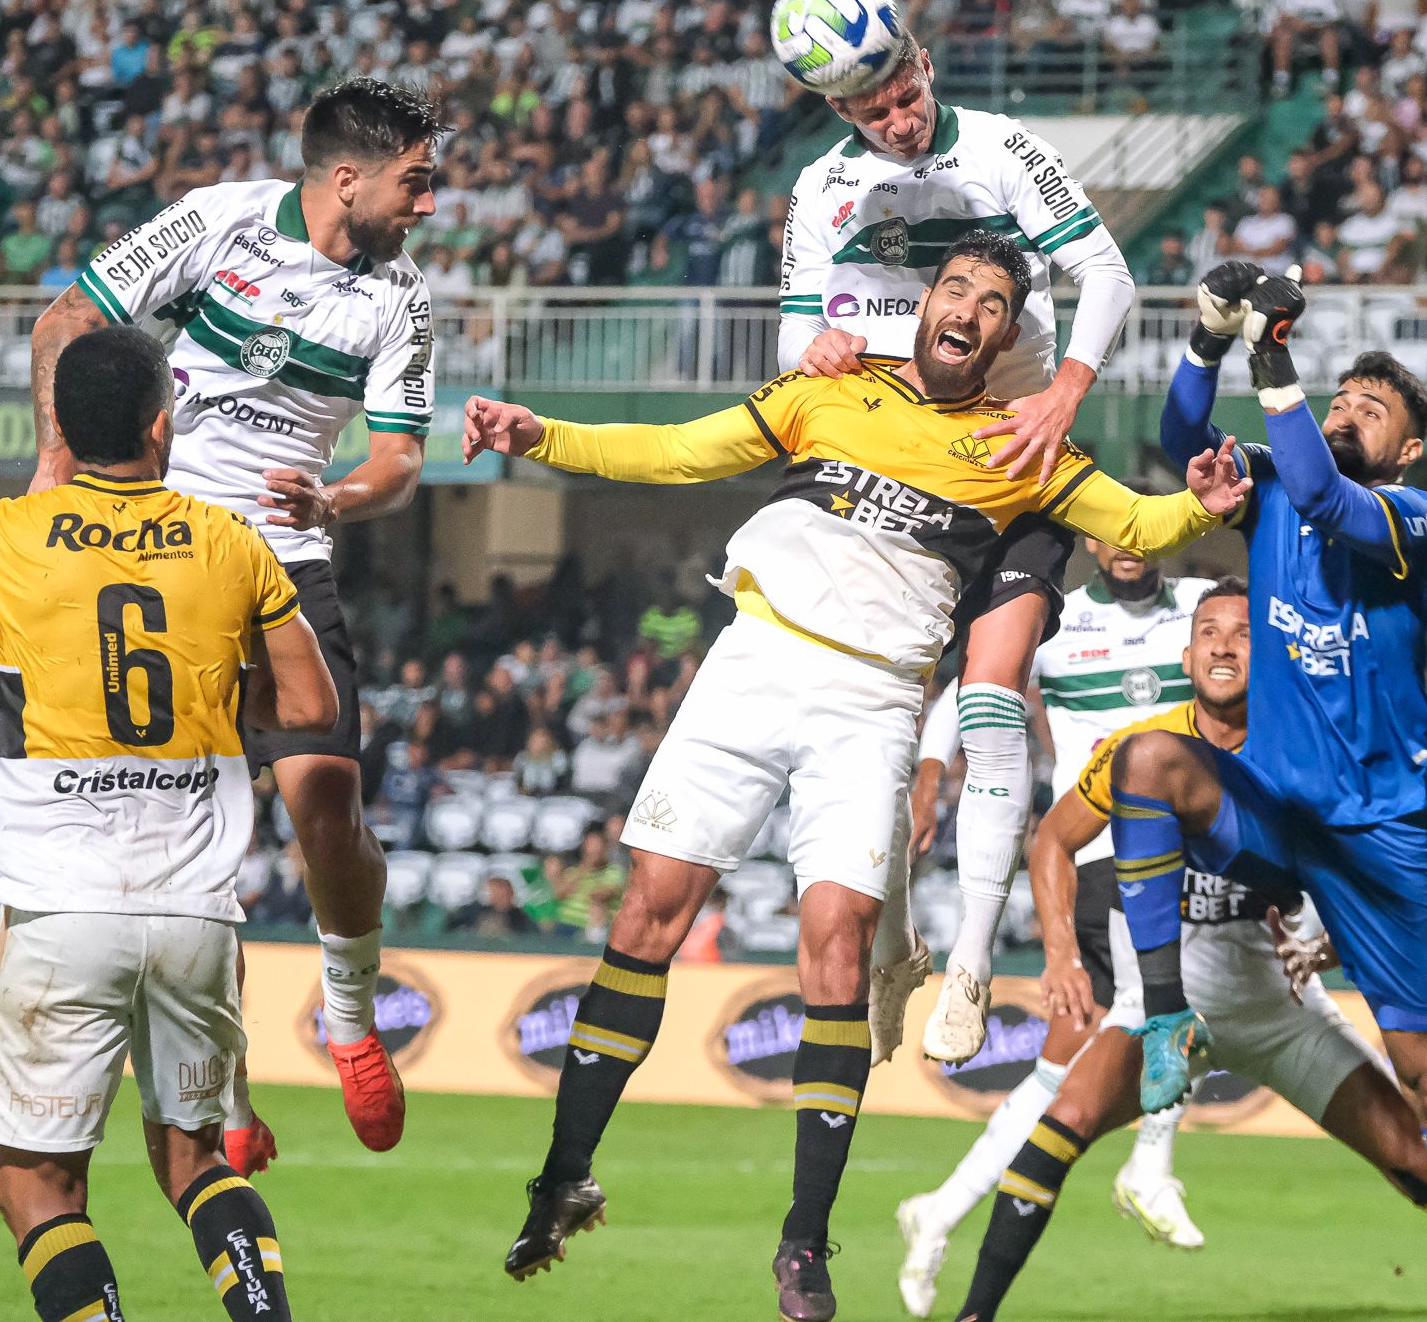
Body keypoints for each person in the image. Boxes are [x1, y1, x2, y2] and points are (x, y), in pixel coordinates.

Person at [462, 231, 1246, 1317]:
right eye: (956, 287)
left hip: (874, 700)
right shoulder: (828, 390)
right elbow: (677, 453)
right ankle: (562, 1178)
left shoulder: (1021, 444)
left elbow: (1141, 522)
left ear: (1007, 335)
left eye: (994, 299)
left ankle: (803, 1244)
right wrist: (537, 432)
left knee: (833, 944)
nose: (969, 306)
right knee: (648, 911)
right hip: (751, 661)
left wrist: (1205, 499)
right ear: (924, 305)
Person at [946, 581, 1427, 1322]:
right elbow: (1052, 839)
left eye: (1241, 633)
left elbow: (1386, 859)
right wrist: (1061, 953)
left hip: (1279, 1006)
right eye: (1208, 632)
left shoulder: (1302, 750)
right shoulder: (1147, 749)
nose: (1223, 645)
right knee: (1057, 1130)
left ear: (1270, 659)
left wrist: (1328, 942)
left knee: (1423, 1163)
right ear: (1187, 652)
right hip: (1163, 1006)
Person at [26, 77, 444, 1158]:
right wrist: (50, 468)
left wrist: (338, 495)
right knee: (189, 847)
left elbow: (399, 455)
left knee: (326, 798)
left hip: (287, 559)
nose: (430, 206)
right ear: (345, 179)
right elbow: (69, 318)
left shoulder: (401, 297)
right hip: (162, 565)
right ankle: (230, 1090)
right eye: (416, 181)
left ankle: (351, 1023)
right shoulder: (216, 222)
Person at [1133, 264, 1427, 1321]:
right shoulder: (1269, 476)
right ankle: (1162, 1016)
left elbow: (1321, 492)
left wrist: (1274, 354)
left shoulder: (1413, 516)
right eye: (1341, 398)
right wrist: (1211, 338)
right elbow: (1177, 441)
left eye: (1373, 409)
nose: (1350, 411)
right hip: (1272, 812)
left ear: (1406, 448)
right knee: (1145, 765)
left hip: (1373, 838)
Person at [777, 19, 1141, 1064]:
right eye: (870, 110)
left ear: (924, 63)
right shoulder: (821, 191)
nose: (897, 120)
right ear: (839, 112)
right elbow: (788, 341)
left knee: (989, 696)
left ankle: (974, 961)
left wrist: (1066, 391)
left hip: (1015, 470)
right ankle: (897, 946)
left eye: (903, 93)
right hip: (900, 472)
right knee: (880, 735)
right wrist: (820, 345)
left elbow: (1107, 276)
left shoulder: (1004, 149)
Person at [0, 325, 338, 1322]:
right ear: (161, 423)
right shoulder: (228, 539)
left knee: (35, 1187)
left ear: (60, 426)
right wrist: (215, 693)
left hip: (59, 908)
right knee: (196, 1161)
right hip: (193, 907)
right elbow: (308, 708)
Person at [899, 540, 1223, 1291]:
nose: (1128, 548)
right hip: (1102, 852)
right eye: (1112, 532)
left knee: (1061, 1065)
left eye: (1143, 534)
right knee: (1181, 992)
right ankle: (1152, 1165)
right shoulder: (1063, 619)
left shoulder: (1206, 611)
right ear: (1094, 543)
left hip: (1187, 845)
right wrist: (930, 772)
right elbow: (965, 693)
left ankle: (939, 1211)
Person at [449, 874, 536, 936]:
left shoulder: (519, 917)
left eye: (503, 895)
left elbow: (529, 936)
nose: (499, 899)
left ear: (511, 895)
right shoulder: (471, 911)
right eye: (495, 894)